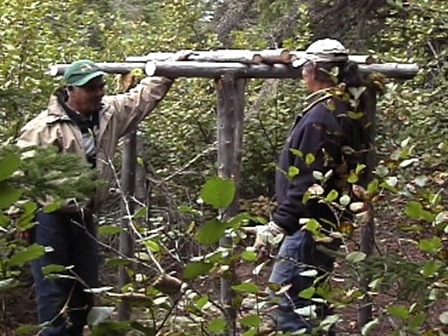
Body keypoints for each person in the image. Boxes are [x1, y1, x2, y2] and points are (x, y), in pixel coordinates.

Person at [16, 55, 187, 335]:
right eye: (90, 88)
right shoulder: (43, 128)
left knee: (86, 286)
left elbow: (141, 98)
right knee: (53, 288)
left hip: (85, 216)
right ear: (70, 90)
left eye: (100, 86)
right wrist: (22, 218)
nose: (98, 93)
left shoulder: (109, 113)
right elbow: (21, 173)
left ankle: (79, 330)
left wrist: (168, 70)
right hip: (49, 217)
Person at [248, 39, 371, 334]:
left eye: (304, 68)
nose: (302, 74)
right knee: (313, 306)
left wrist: (278, 225)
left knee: (289, 312)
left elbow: (307, 182)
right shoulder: (346, 108)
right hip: (326, 223)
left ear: (313, 69)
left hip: (307, 229)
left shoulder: (322, 117)